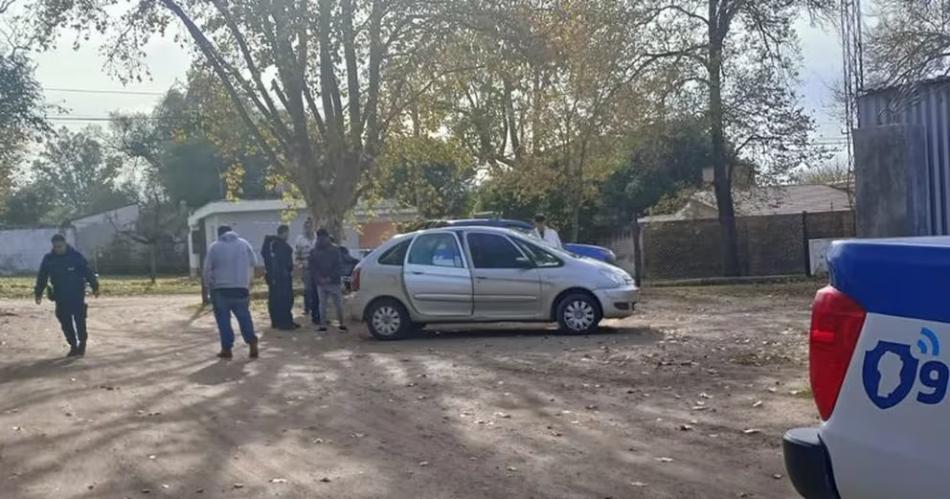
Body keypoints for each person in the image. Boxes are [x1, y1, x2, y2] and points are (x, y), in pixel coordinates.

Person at [34, 234, 99, 357]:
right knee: (65, 321)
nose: (58, 249)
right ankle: (73, 345)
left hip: (77, 294)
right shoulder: (49, 259)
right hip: (60, 295)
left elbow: (87, 272)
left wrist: (95, 286)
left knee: (80, 320)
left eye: (60, 246)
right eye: (55, 247)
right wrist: (38, 292)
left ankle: (82, 343)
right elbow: (42, 276)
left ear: (65, 244)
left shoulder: (75, 256)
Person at [204, 225, 259, 360]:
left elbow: (207, 270)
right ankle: (252, 342)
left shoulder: (214, 247)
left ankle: (227, 348)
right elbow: (254, 262)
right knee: (244, 317)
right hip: (241, 287)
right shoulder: (244, 244)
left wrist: (208, 285)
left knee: (223, 321)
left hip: (220, 289)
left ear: (219, 234)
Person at [309, 228, 347, 332]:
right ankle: (341, 324)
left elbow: (312, 268)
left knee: (322, 305)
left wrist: (320, 278)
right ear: (327, 237)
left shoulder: (314, 251)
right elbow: (338, 266)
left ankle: (323, 326)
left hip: (321, 282)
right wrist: (330, 277)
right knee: (338, 304)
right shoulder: (335, 250)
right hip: (333, 281)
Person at [263, 225, 299, 330]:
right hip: (283, 277)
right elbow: (287, 263)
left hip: (271, 276)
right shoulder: (282, 246)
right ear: (284, 233)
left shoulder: (269, 244)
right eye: (287, 233)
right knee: (286, 300)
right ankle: (286, 322)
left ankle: (275, 322)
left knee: (273, 299)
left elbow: (265, 257)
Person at [295, 218, 319, 324]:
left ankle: (317, 308)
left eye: (310, 226)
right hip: (306, 267)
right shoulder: (300, 239)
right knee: (307, 289)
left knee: (317, 289)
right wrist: (300, 266)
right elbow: (297, 255)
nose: (308, 229)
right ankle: (307, 308)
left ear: (313, 227)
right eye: (306, 227)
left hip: (318, 268)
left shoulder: (317, 238)